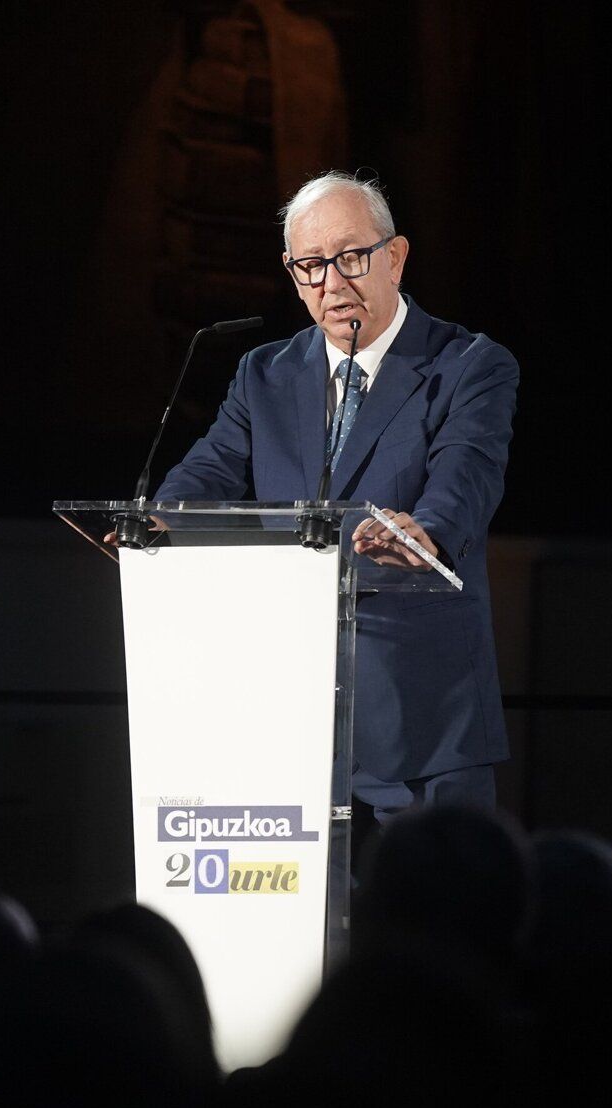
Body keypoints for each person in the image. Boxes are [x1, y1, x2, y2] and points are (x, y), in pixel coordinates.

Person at [155, 172, 517, 817]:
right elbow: (209, 469)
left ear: (396, 256)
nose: (331, 282)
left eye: (350, 258)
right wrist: (154, 525)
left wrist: (424, 529)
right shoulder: (264, 373)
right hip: (282, 712)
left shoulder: (469, 364)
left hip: (421, 716)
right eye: (311, 266)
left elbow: (469, 471)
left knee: (437, 914)